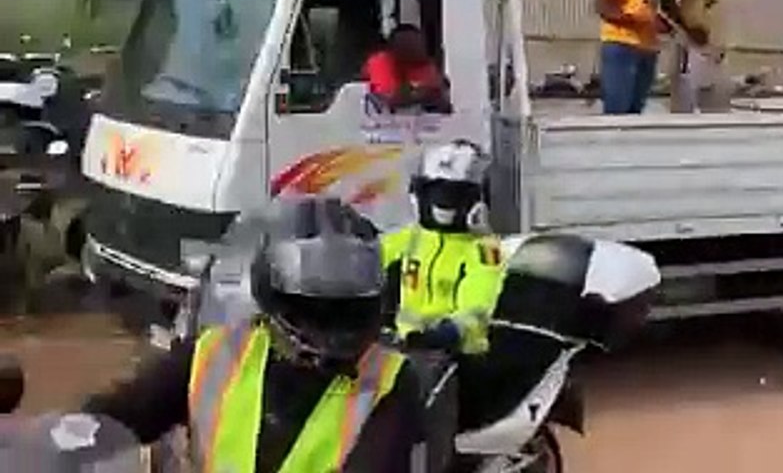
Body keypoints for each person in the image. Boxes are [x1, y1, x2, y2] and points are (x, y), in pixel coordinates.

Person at [80, 196, 430, 472]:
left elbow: (377, 463)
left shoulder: (391, 381)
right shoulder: (213, 352)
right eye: (312, 306)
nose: (332, 323)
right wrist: (68, 436)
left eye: (346, 306)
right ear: (273, 298)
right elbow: (128, 410)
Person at [380, 140, 504, 356]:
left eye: (455, 194)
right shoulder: (412, 237)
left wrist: (450, 332)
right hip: (403, 351)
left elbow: (479, 303)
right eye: (436, 191)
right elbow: (369, 260)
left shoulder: (484, 250)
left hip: (457, 356)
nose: (443, 201)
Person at [364, 23, 452, 113]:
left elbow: (440, 99)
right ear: (392, 48)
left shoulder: (425, 65)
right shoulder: (381, 62)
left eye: (417, 43)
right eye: (407, 43)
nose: (414, 47)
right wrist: (424, 93)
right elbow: (388, 101)